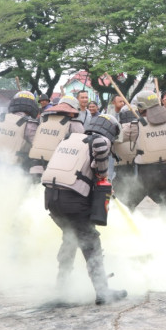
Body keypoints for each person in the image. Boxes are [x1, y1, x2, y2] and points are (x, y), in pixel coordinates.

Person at [41, 113, 127, 305]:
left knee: (70, 238)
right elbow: (101, 173)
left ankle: (62, 286)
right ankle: (103, 291)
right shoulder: (100, 142)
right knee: (91, 242)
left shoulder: (70, 138)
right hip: (73, 200)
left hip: (52, 199)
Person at [124, 90, 166, 211]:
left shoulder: (135, 125)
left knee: (128, 203)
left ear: (140, 107)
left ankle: (123, 224)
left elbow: (119, 138)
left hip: (145, 174)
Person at [0, 91, 41, 175]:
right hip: (16, 167)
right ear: (32, 106)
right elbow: (37, 146)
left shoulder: (2, 118)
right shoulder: (30, 123)